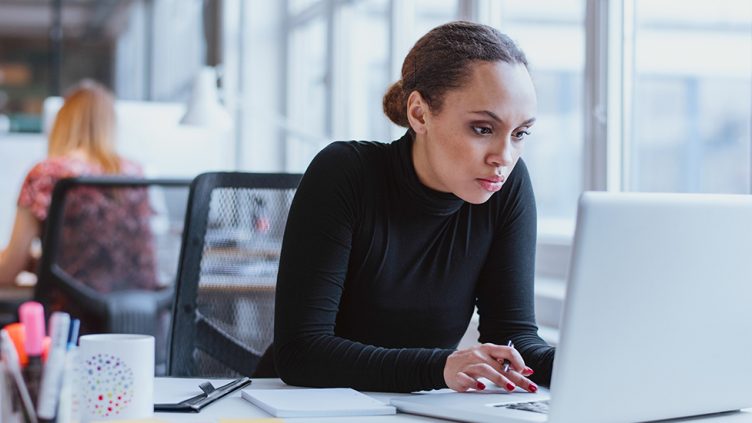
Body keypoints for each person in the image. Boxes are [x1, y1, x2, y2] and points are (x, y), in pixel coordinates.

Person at [270, 21, 555, 394]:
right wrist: (439, 368)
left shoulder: (507, 188)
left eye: (520, 134)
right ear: (420, 114)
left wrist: (597, 361)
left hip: (416, 409)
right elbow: (299, 353)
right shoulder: (345, 173)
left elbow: (514, 339)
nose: (504, 157)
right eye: (483, 129)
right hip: (305, 405)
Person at [0, 80, 155, 292]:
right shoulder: (135, 174)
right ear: (110, 125)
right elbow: (108, 260)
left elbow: (9, 270)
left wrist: (23, 261)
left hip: (68, 317)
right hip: (139, 317)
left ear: (63, 123)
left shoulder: (46, 174)